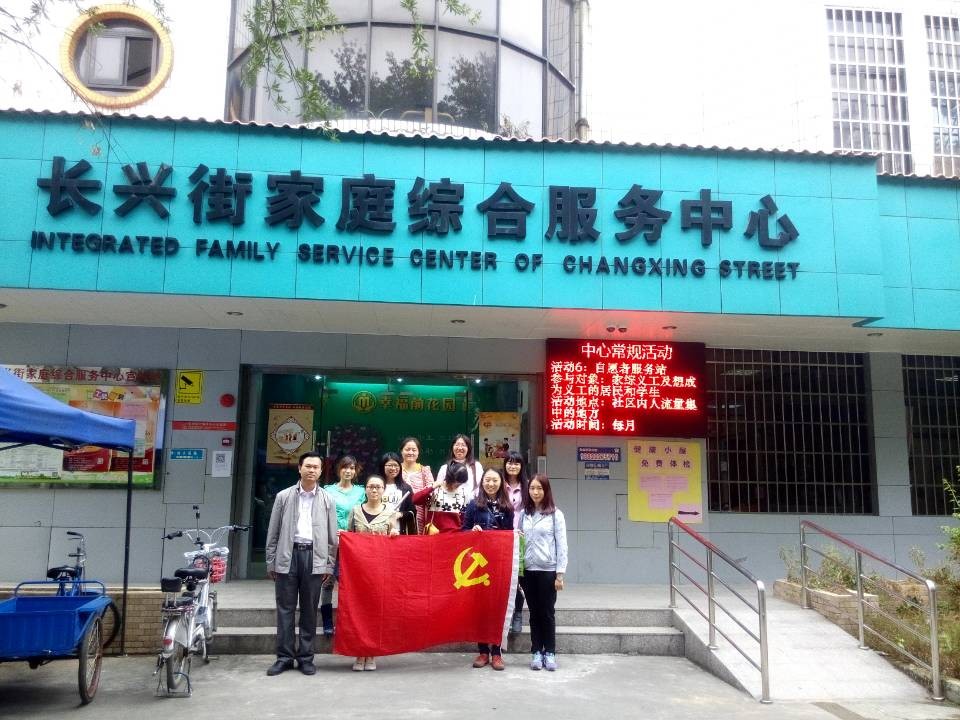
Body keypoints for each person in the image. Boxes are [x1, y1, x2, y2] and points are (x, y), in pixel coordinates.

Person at [264, 451, 338, 677]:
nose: (312, 470)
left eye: (316, 467)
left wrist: (328, 565)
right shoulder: (283, 496)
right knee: (285, 609)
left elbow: (332, 537)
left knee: (309, 610)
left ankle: (306, 658)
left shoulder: (327, 499)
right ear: (299, 468)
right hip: (287, 556)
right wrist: (271, 561)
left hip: (314, 558)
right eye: (308, 466)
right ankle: (284, 657)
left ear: (321, 471)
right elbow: (273, 531)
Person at [462, 467, 514, 671]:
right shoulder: (474, 505)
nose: (491, 484)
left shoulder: (507, 506)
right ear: (482, 482)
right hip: (479, 564)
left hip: (499, 563)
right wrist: (472, 531)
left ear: (501, 483)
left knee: (498, 606)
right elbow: (463, 530)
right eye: (487, 480)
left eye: (495, 480)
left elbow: (509, 533)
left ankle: (497, 652)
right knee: (481, 607)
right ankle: (483, 651)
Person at [346, 475, 399, 672]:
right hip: (357, 571)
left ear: (383, 490)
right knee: (357, 611)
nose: (374, 490)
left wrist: (394, 535)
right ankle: (359, 653)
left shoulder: (391, 512)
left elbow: (395, 538)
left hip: (380, 571)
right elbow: (349, 536)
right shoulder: (355, 511)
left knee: (375, 612)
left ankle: (371, 653)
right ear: (365, 489)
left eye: (378, 487)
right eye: (370, 487)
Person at [518, 474, 568, 672]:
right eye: (532, 488)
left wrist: (560, 574)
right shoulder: (524, 514)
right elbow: (519, 543)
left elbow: (562, 545)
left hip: (548, 570)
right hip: (528, 571)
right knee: (534, 613)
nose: (536, 492)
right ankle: (536, 651)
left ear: (546, 491)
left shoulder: (556, 514)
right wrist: (519, 570)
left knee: (547, 613)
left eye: (540, 488)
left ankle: (550, 652)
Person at [319, 455, 366, 635]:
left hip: (353, 544)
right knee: (327, 581)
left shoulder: (361, 492)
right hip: (331, 542)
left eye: (352, 468)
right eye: (345, 467)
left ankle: (347, 622)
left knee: (349, 584)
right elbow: (321, 516)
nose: (348, 471)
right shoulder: (327, 490)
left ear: (356, 471)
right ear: (338, 469)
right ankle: (327, 622)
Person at [503, 450, 530, 634]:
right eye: (509, 462)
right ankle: (505, 613)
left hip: (521, 537)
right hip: (502, 536)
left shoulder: (527, 486)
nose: (512, 466)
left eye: (516, 463)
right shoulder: (498, 483)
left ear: (521, 466)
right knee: (504, 578)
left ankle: (518, 614)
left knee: (519, 577)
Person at [412, 461, 471, 533]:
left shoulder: (464, 493)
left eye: (460, 483)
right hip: (435, 533)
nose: (458, 485)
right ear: (450, 478)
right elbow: (415, 499)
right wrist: (432, 487)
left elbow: (464, 518)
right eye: (456, 482)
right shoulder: (436, 488)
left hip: (455, 534)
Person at [400, 437, 434, 533]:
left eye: (414, 450)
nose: (410, 452)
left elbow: (432, 491)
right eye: (407, 449)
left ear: (418, 452)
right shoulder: (396, 469)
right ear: (401, 451)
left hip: (420, 513)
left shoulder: (425, 470)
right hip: (399, 512)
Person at [379, 451, 416, 535]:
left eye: (396, 465)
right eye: (389, 465)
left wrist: (400, 514)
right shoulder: (377, 486)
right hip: (380, 532)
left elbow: (413, 512)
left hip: (399, 532)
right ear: (382, 466)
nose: (393, 468)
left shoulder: (406, 488)